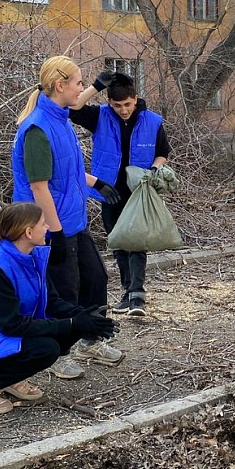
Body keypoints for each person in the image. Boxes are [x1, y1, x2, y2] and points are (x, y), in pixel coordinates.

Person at [0, 203, 120, 415]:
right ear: (28, 232)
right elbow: (12, 325)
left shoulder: (32, 255)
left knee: (73, 328)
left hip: (1, 330)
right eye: (42, 223)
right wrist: (72, 323)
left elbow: (52, 301)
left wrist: (82, 316)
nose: (47, 227)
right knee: (46, 349)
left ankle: (10, 379)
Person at [12, 55, 124, 379]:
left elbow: (69, 170)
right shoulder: (37, 130)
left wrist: (96, 183)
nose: (82, 89)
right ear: (60, 86)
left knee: (96, 279)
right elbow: (39, 187)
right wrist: (55, 234)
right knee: (63, 290)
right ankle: (59, 352)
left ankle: (90, 339)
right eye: (78, 83)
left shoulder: (59, 119)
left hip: (72, 220)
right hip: (48, 225)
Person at [69, 70, 170, 316]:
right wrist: (95, 86)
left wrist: (155, 170)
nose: (123, 110)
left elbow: (163, 152)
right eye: (117, 105)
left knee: (136, 241)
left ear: (135, 99)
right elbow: (72, 108)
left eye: (127, 104)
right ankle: (128, 292)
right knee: (117, 241)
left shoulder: (152, 121)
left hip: (138, 192)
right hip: (109, 189)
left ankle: (137, 294)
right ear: (109, 103)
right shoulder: (100, 117)